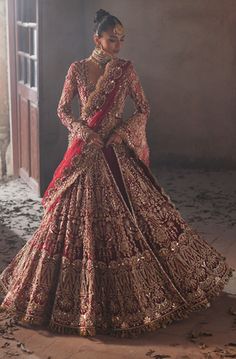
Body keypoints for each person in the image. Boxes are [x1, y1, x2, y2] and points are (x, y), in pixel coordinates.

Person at [0, 9, 234, 339]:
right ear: (97, 39)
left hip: (116, 153)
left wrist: (122, 132)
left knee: (139, 220)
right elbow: (62, 110)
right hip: (84, 154)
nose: (118, 46)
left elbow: (143, 108)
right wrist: (83, 131)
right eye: (112, 40)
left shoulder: (125, 71)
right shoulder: (77, 69)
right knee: (68, 224)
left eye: (122, 40)